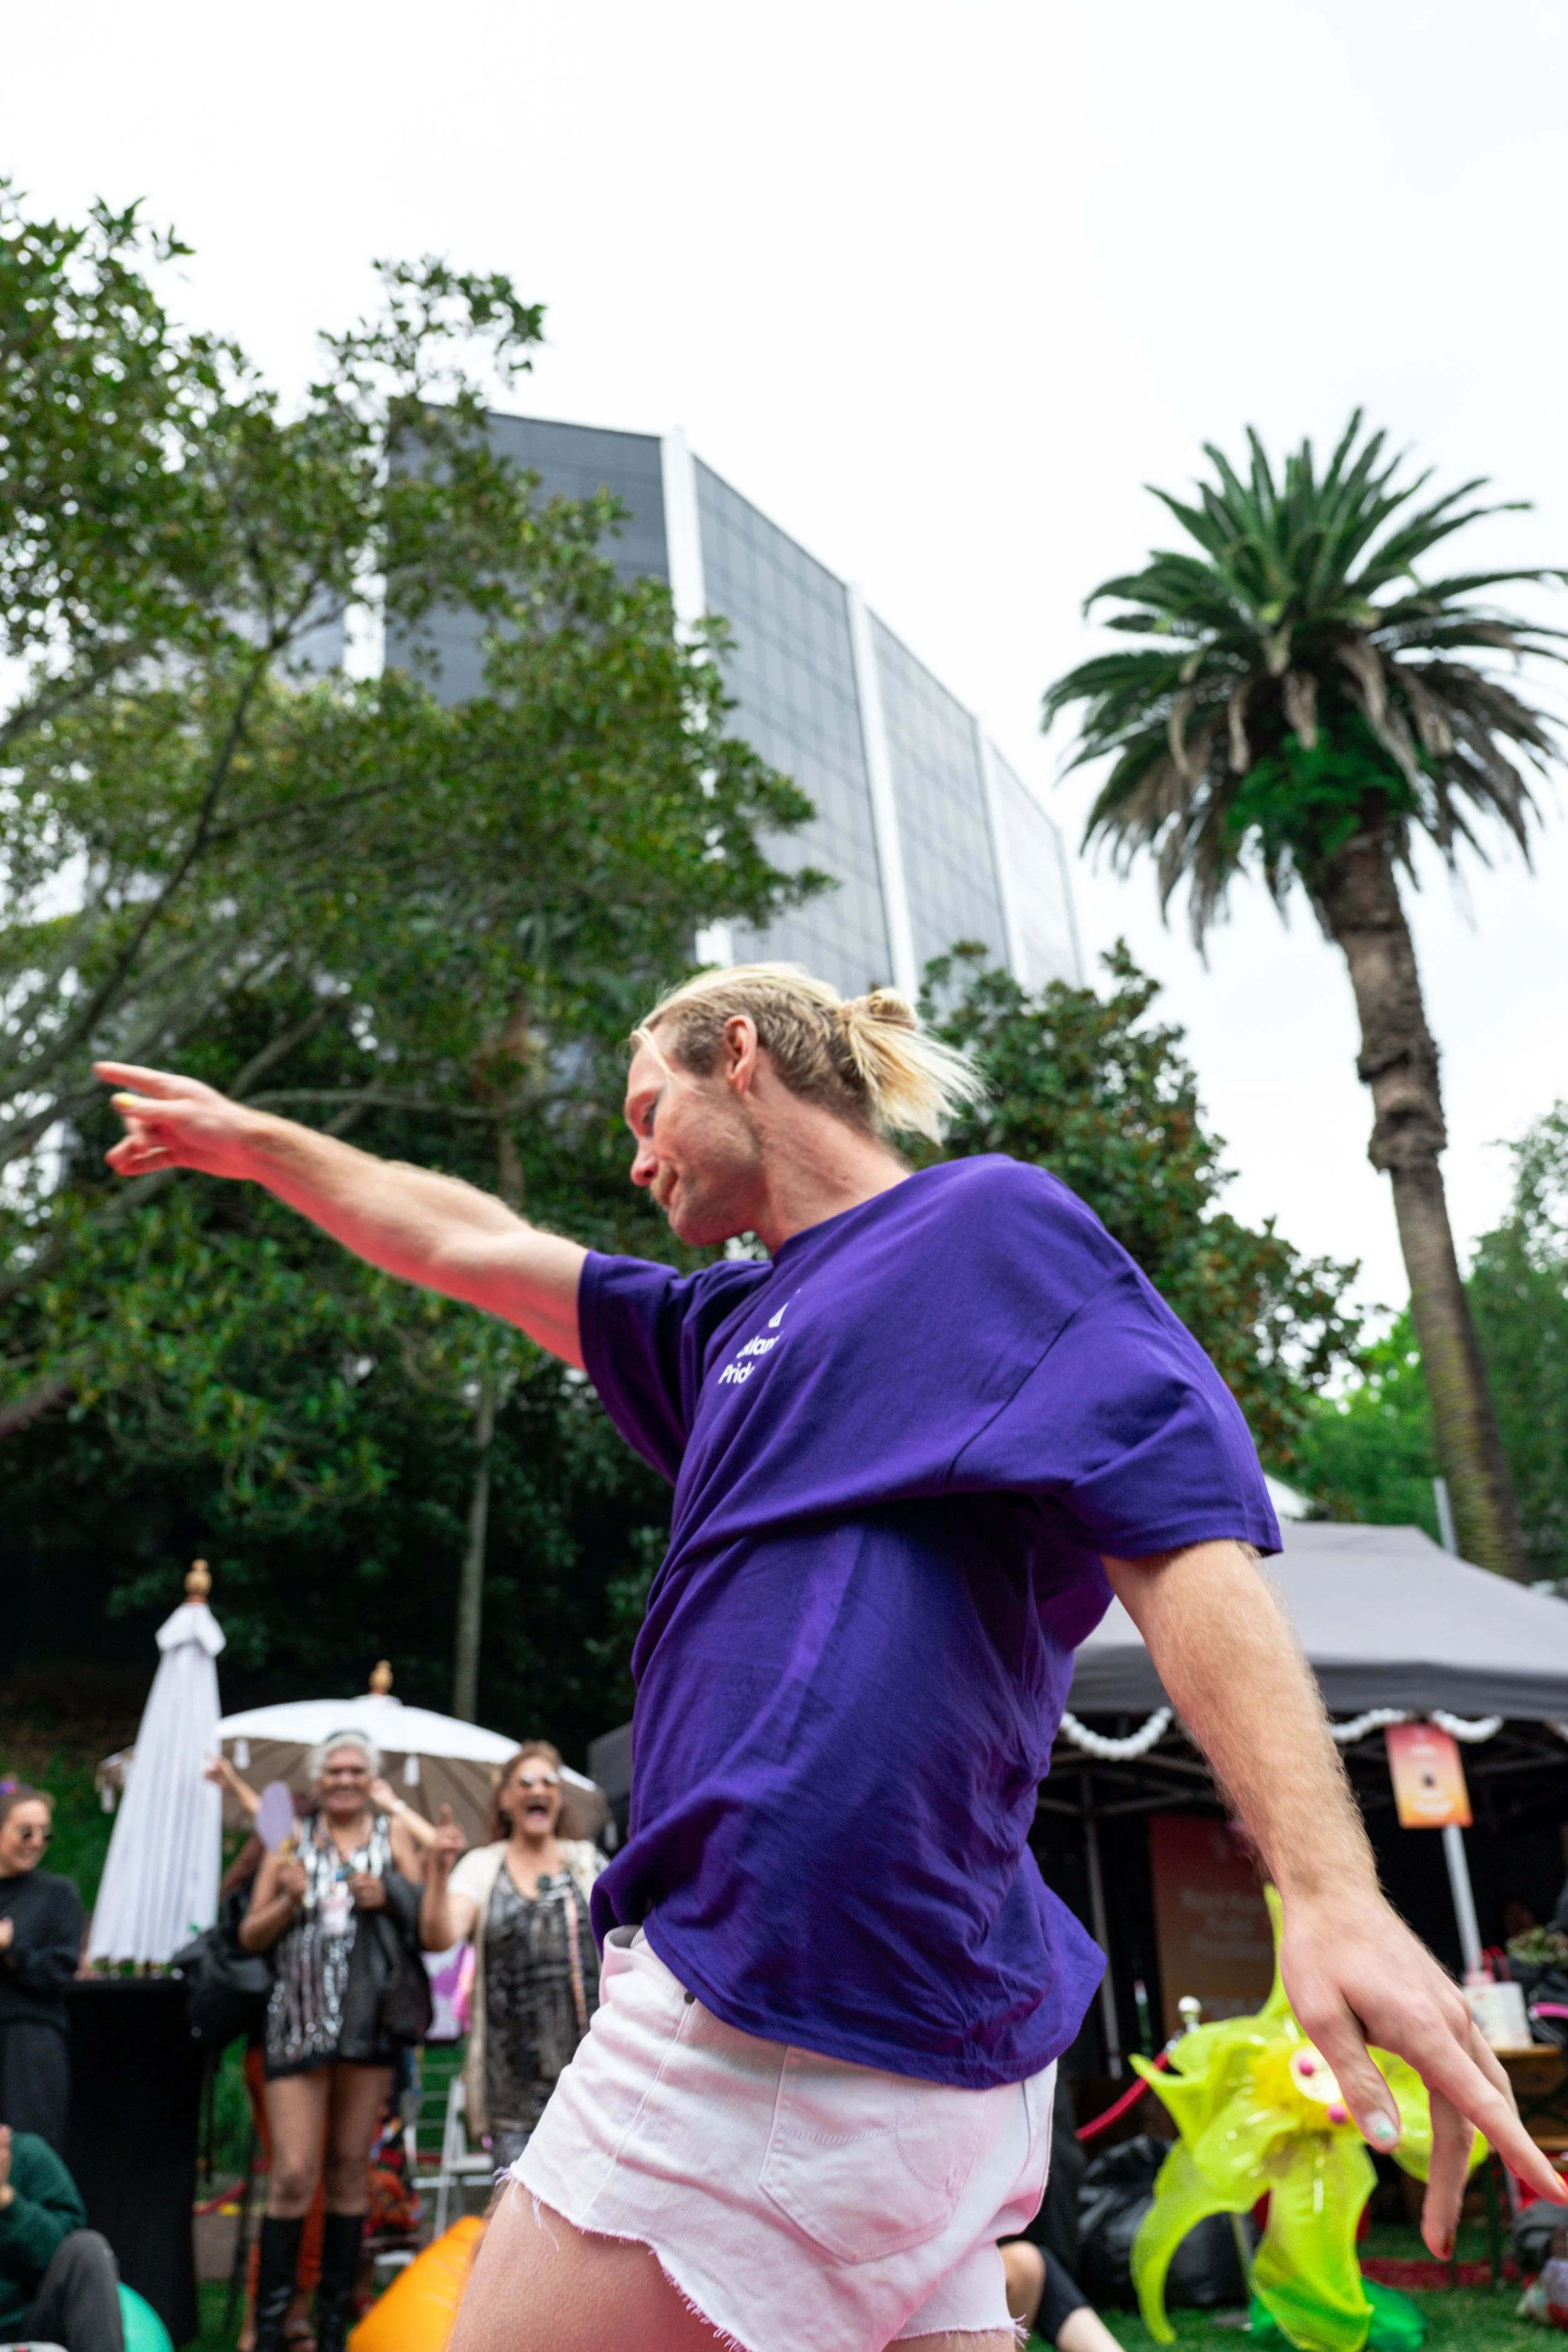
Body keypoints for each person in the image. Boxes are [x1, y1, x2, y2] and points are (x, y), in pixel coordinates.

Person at [99, 965, 1567, 2352]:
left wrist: (1327, 1885)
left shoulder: (984, 1226)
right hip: (908, 2003)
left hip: (789, 1962)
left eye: (643, 1110)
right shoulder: (717, 1329)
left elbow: (1177, 1532)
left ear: (738, 1053)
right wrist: (259, 1143)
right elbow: (462, 1233)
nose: (634, 1159)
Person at [238, 1732, 429, 2352]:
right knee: (293, 2171)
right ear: (318, 1780)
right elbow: (249, 1936)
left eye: (355, 1771)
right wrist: (288, 1899)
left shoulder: (391, 1834)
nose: (344, 1780)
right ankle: (270, 2330)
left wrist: (389, 1895)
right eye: (334, 1771)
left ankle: (328, 2328)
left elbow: (429, 1920)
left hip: (367, 2025)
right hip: (295, 2023)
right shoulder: (289, 1839)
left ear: (369, 1778)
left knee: (350, 2168)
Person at [420, 1742, 605, 2169]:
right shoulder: (483, 1866)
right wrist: (439, 1872)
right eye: (525, 1782)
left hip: (592, 2082)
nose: (537, 1790)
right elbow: (440, 1935)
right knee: (518, 2214)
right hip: (510, 2093)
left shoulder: (587, 1863)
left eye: (548, 1782)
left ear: (559, 1798)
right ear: (506, 1799)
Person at [0, 1785, 84, 2155]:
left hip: (28, 2044)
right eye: (25, 1831)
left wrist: (11, 1950)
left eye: (44, 1833)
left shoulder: (57, 1895)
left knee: (28, 2154)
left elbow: (59, 1976)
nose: (36, 1842)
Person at [0, 2119, 123, 2352]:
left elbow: (63, 2253)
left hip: (33, 2329)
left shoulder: (27, 2156)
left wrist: (7, 2202)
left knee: (88, 2248)